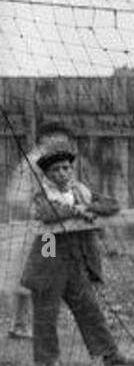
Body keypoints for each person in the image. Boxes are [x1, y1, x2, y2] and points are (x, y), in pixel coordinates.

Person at [20, 143, 134, 366]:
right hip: (49, 250)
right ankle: (48, 362)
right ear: (47, 175)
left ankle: (105, 354)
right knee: (46, 309)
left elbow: (112, 204)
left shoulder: (80, 192)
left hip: (75, 256)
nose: (62, 173)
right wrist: (76, 211)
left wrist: (86, 205)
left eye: (66, 168)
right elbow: (47, 213)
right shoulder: (42, 194)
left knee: (89, 306)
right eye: (56, 170)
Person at [4, 120, 77, 340]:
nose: (65, 144)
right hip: (32, 230)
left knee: (36, 274)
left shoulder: (51, 161)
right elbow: (16, 198)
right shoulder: (35, 162)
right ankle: (27, 324)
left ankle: (23, 324)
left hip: (43, 230)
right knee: (37, 274)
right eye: (60, 139)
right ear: (47, 139)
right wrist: (45, 210)